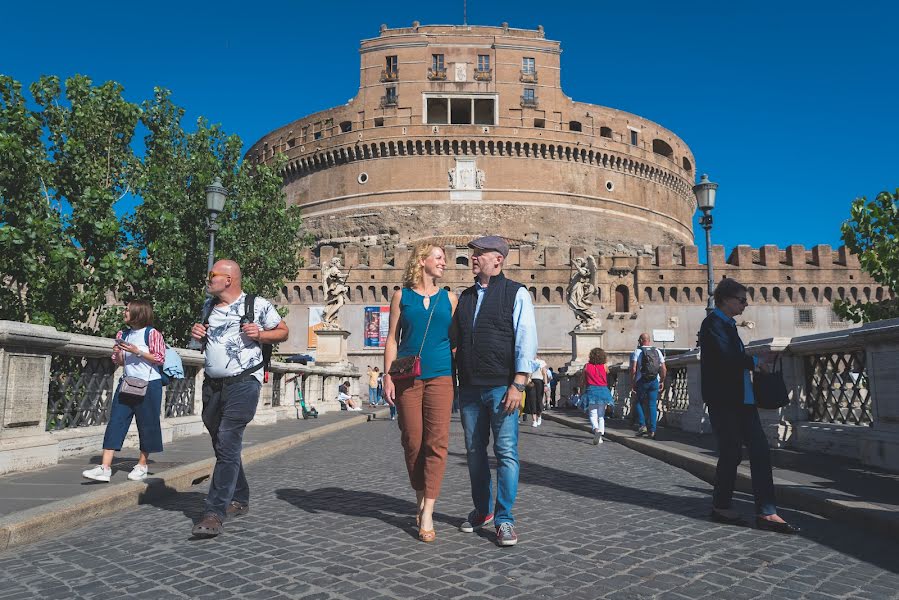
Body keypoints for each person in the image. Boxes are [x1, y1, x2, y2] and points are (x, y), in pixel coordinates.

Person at [189, 259, 289, 538]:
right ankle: (240, 497)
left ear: (229, 279)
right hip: (213, 384)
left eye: (213, 275)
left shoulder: (256, 305)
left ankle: (214, 512)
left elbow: (283, 331)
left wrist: (262, 334)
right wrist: (196, 335)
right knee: (223, 442)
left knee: (228, 437)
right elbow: (203, 345)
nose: (208, 280)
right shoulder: (208, 307)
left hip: (245, 382)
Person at [453, 235, 537, 547]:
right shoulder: (465, 297)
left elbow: (526, 337)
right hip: (471, 389)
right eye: (471, 254)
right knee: (475, 453)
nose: (472, 259)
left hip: (503, 387)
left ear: (497, 260)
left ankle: (504, 519)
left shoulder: (516, 293)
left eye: (478, 254)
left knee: (506, 453)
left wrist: (519, 383)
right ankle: (483, 509)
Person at [700, 278, 800, 534]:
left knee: (759, 451)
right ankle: (722, 506)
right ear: (724, 299)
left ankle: (767, 512)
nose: (745, 305)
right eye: (742, 300)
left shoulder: (728, 325)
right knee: (732, 453)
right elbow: (725, 356)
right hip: (725, 401)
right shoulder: (713, 323)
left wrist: (757, 359)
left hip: (741, 400)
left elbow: (732, 357)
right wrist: (754, 360)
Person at [383, 242, 457, 543]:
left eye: (444, 259)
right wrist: (387, 376)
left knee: (437, 443)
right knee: (413, 441)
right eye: (438, 258)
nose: (444, 263)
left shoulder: (450, 298)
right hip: (407, 377)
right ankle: (420, 495)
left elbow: (455, 340)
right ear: (422, 261)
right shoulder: (402, 296)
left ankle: (428, 511)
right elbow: (391, 339)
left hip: (440, 376)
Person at [82, 299, 166, 483]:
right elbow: (119, 361)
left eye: (127, 310)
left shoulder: (152, 334)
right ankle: (105, 468)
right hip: (127, 383)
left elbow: (159, 358)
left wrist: (137, 351)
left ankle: (142, 465)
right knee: (116, 421)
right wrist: (119, 353)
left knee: (147, 424)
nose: (124, 312)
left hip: (149, 384)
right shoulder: (123, 333)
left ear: (138, 312)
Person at [629, 332, 667, 440]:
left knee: (637, 402)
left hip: (642, 380)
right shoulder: (657, 351)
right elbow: (664, 368)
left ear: (641, 340)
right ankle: (653, 430)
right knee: (652, 405)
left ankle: (642, 426)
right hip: (655, 380)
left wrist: (632, 382)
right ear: (649, 340)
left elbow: (633, 369)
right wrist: (662, 381)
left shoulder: (638, 351)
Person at [579, 348, 614, 445]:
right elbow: (608, 375)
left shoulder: (586, 366)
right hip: (603, 391)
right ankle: (601, 436)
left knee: (592, 414)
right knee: (601, 415)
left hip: (591, 391)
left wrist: (581, 390)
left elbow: (582, 380)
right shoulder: (604, 366)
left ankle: (596, 429)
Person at [529, 358, 548, 425]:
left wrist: (545, 385)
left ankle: (539, 416)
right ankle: (534, 420)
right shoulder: (529, 361)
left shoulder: (541, 362)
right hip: (531, 382)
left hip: (539, 382)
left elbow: (544, 374)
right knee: (532, 400)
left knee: (539, 400)